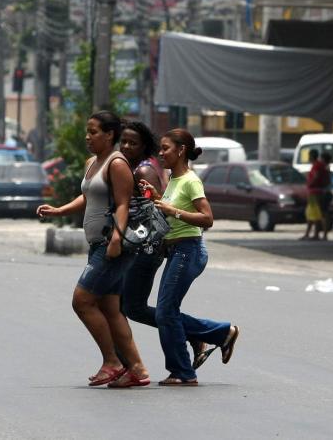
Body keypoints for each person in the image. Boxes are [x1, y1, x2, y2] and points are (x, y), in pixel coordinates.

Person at [36, 111, 151, 388]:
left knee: (82, 300)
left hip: (111, 245)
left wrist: (116, 237)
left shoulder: (117, 163)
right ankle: (136, 368)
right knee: (110, 308)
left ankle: (111, 361)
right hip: (97, 243)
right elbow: (88, 196)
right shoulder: (93, 163)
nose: (88, 137)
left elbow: (123, 203)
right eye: (87, 132)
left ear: (109, 134)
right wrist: (60, 210)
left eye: (94, 132)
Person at [134, 128, 239, 386]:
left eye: (166, 148)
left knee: (166, 312)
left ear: (181, 150)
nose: (161, 153)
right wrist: (158, 198)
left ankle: (183, 371)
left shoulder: (191, 180)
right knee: (166, 311)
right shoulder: (172, 179)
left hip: (188, 250)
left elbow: (207, 218)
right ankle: (222, 333)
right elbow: (173, 208)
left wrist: (172, 210)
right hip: (176, 251)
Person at [300, 149, 330, 241]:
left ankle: (316, 234)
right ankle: (312, 234)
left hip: (315, 193)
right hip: (316, 192)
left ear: (312, 156)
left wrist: (310, 183)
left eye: (309, 155)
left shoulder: (317, 165)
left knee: (316, 214)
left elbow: (316, 176)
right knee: (313, 213)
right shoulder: (320, 165)